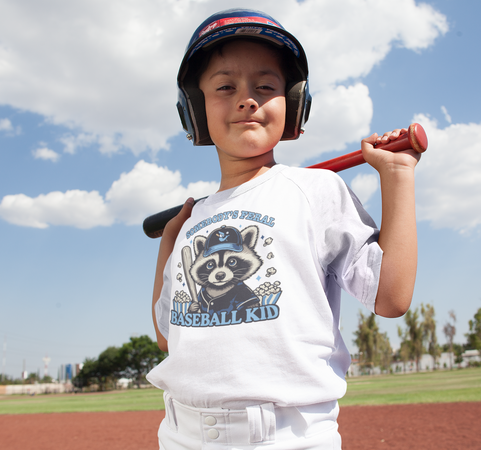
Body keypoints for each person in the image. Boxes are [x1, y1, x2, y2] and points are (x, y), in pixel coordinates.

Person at [147, 8, 420, 449]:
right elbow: (168, 336)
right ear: (194, 109)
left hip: (286, 437)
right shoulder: (192, 219)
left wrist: (397, 175)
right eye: (224, 86)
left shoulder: (316, 190)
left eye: (266, 86)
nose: (247, 98)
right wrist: (169, 243)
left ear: (293, 103)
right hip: (180, 434)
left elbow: (390, 297)